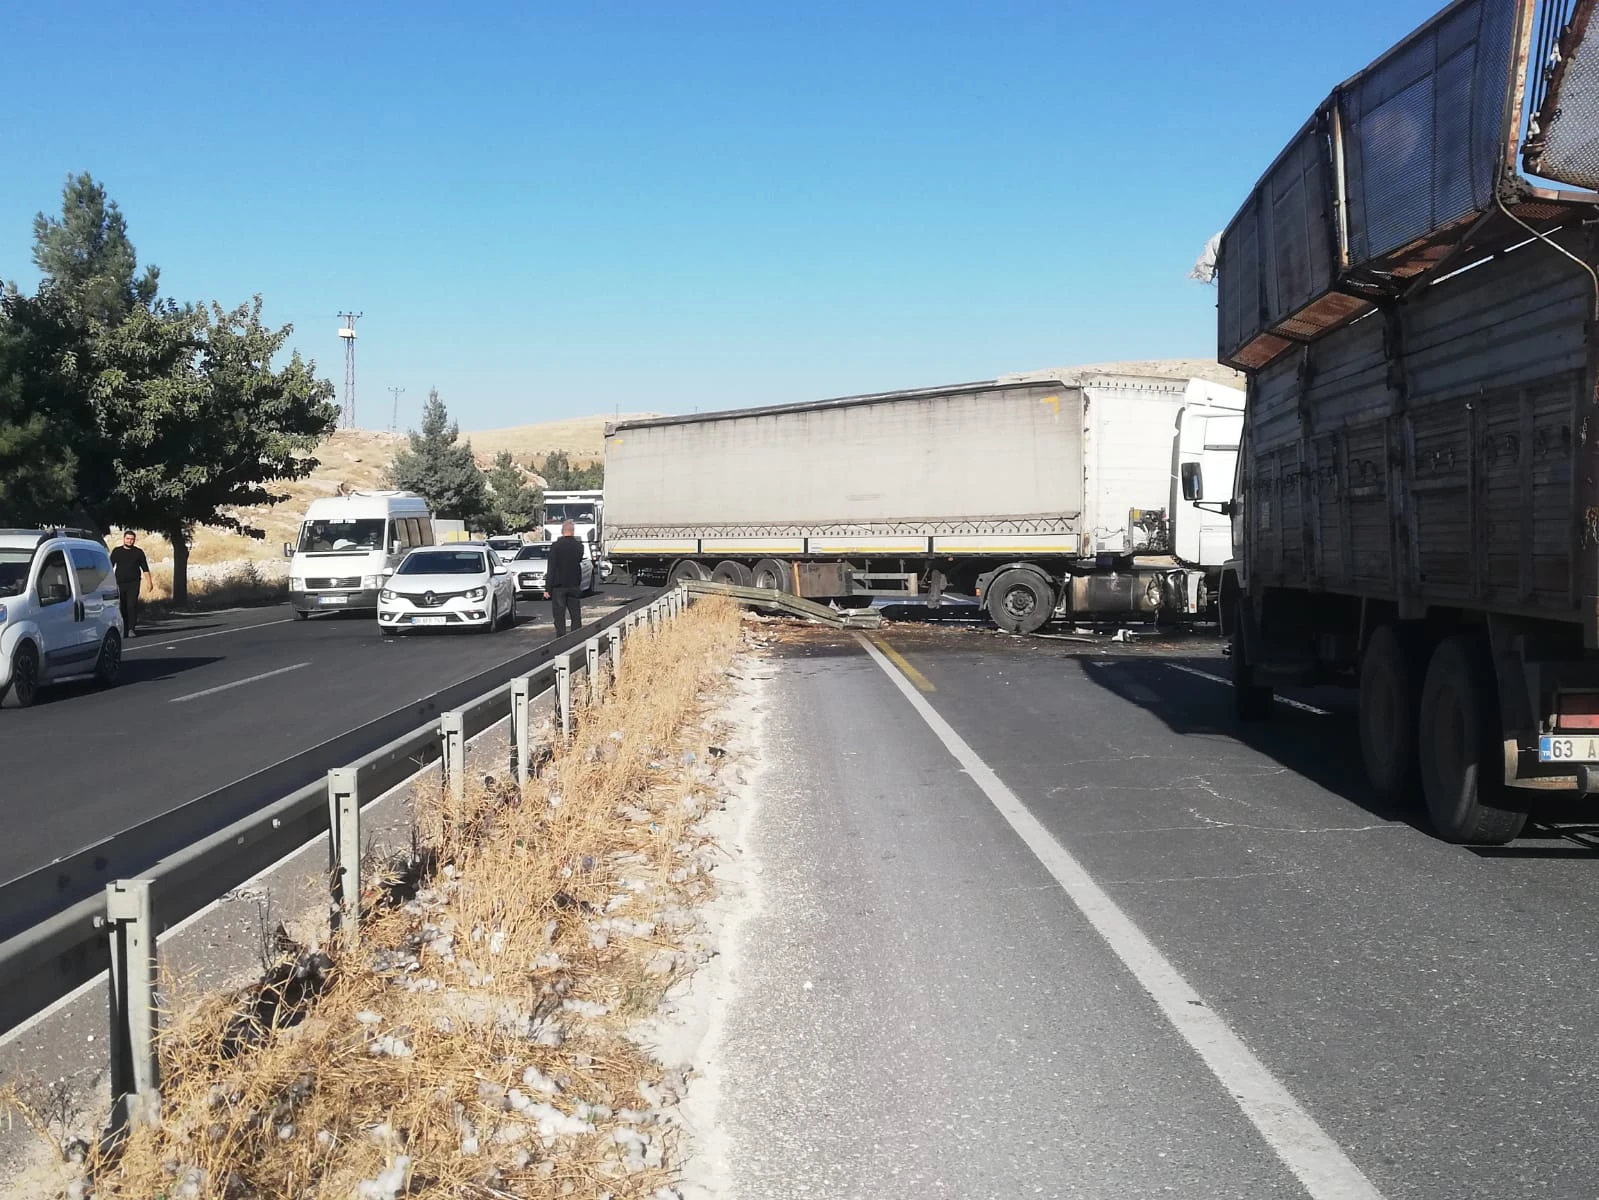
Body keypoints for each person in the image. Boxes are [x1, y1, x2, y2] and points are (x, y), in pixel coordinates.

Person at [108, 530, 152, 637]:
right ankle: (124, 627)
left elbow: (145, 568)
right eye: (127, 539)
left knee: (131, 605)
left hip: (134, 583)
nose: (129, 541)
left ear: (134, 540)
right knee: (122, 606)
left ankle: (131, 629)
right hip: (119, 583)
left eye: (132, 539)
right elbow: (109, 567)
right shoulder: (117, 551)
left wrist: (149, 582)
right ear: (124, 539)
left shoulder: (138, 552)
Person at [547, 520, 585, 637]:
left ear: (562, 531)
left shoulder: (555, 547)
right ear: (573, 532)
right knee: (575, 614)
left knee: (559, 614)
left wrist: (547, 588)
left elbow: (551, 568)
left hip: (559, 586)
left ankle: (561, 637)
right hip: (574, 584)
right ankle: (576, 636)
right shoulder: (579, 546)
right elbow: (578, 561)